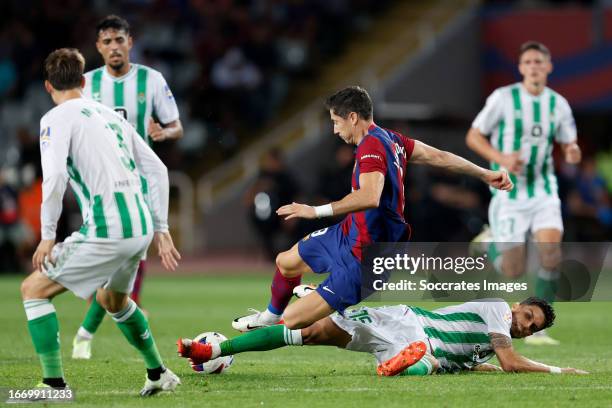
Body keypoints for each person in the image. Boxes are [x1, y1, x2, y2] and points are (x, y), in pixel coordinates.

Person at [232, 86, 513, 332]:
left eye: (336, 121)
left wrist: (314, 211)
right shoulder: (392, 139)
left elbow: (369, 196)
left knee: (294, 323)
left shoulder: (371, 148)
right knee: (285, 261)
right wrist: (484, 173)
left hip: (367, 256)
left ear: (352, 117)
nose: (334, 129)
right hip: (349, 233)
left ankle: (219, 350)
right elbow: (437, 156)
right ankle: (270, 316)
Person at [20, 48, 181, 395]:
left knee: (33, 290)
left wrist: (48, 235)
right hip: (139, 225)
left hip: (109, 228)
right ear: (82, 81)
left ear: (49, 86)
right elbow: (158, 169)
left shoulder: (55, 119)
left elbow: (55, 178)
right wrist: (162, 227)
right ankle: (159, 373)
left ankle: (54, 384)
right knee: (114, 302)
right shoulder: (111, 115)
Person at [73, 14, 183, 360]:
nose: (114, 47)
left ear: (130, 43)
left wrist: (163, 133)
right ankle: (110, 313)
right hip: (99, 180)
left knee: (132, 245)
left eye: (119, 40)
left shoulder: (151, 80)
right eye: (107, 42)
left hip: (138, 178)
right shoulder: (87, 84)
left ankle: (92, 328)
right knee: (116, 250)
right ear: (98, 47)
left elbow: (177, 126)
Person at [466, 41, 581, 345]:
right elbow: (473, 135)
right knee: (513, 271)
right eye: (528, 61)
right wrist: (502, 159)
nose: (534, 66)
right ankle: (490, 240)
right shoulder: (503, 98)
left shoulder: (558, 104)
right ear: (521, 68)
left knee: (551, 253)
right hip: (510, 192)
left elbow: (569, 141)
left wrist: (571, 150)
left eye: (539, 62)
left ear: (548, 66)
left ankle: (538, 328)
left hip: (544, 190)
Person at [178, 296, 587, 376]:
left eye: (531, 328)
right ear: (517, 305)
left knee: (310, 334)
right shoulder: (498, 308)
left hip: (411, 337)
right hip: (411, 325)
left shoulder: (484, 348)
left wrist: (488, 370)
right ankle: (402, 365)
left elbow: (493, 365)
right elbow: (511, 362)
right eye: (527, 316)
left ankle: (213, 348)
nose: (524, 325)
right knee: (427, 361)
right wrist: (556, 370)